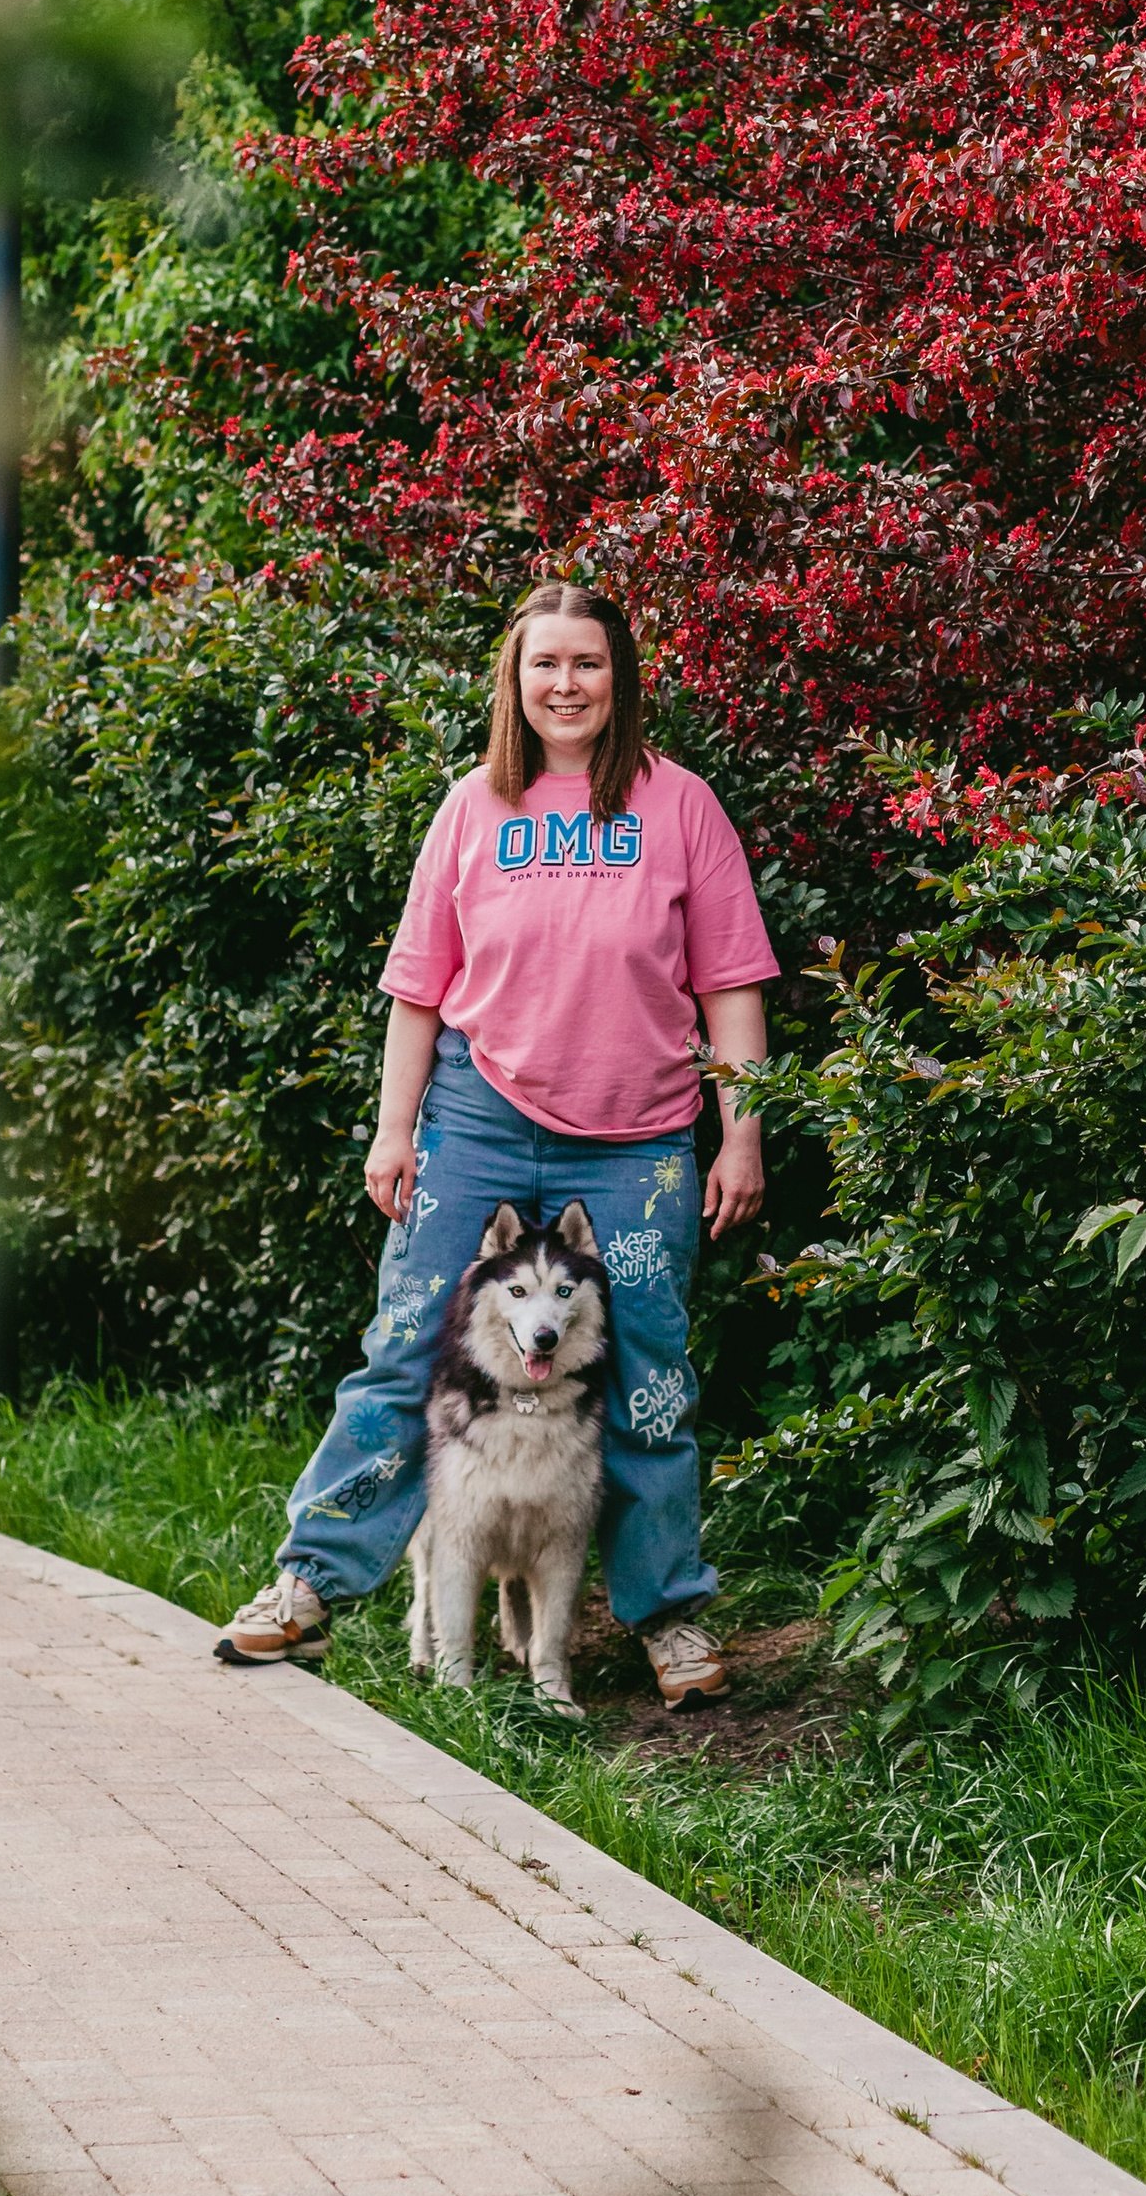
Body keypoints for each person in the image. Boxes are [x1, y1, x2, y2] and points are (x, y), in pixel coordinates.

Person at [217, 580, 778, 1708]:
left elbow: (731, 987)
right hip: (478, 1116)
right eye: (543, 666)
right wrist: (393, 1131)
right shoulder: (475, 807)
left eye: (586, 665)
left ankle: (666, 1614)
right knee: (407, 1346)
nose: (564, 685)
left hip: (638, 1141)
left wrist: (741, 1136)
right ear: (513, 683)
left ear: (618, 681)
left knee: (649, 1375)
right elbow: (417, 994)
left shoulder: (680, 807)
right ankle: (310, 1583)